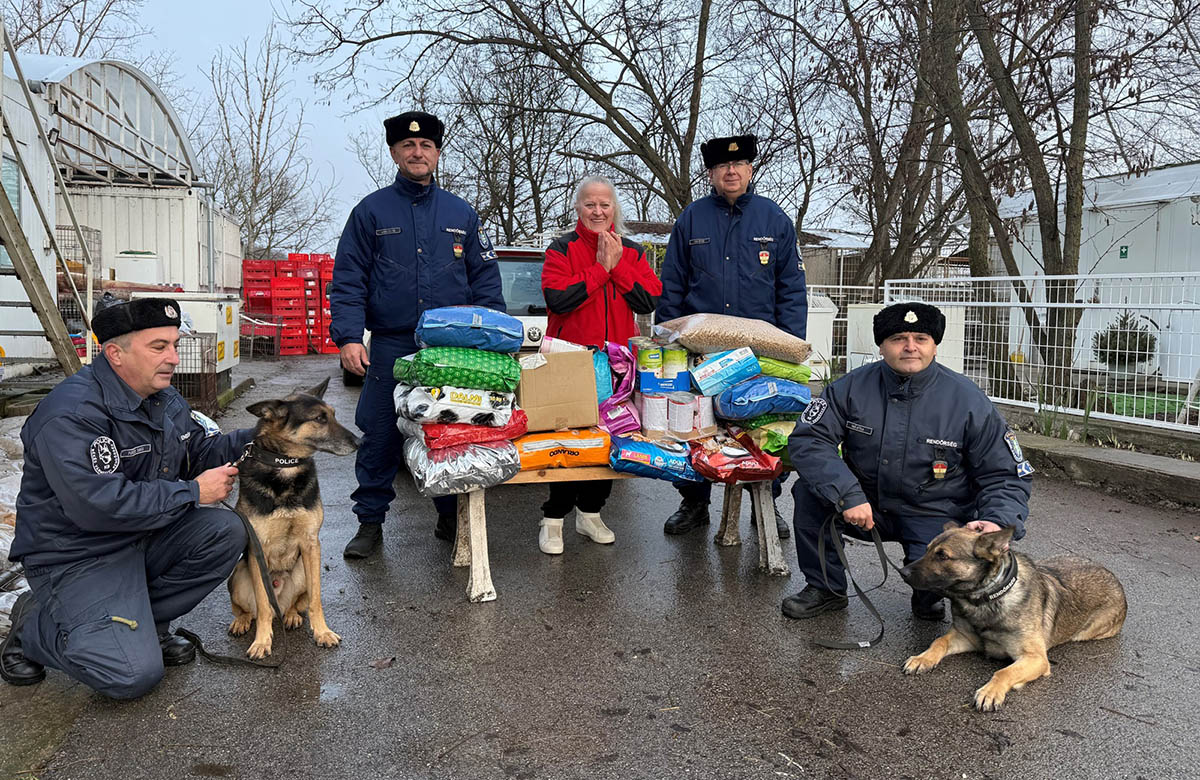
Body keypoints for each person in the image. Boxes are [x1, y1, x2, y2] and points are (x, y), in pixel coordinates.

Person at [1, 298, 250, 698]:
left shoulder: (163, 398)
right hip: (76, 555)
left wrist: (269, 434)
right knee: (130, 676)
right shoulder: (71, 413)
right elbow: (97, 505)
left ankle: (140, 628)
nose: (172, 357)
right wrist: (192, 492)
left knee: (224, 532)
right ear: (114, 353)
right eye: (158, 347)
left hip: (139, 537)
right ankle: (34, 624)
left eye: (174, 344)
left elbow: (199, 451)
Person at [783, 302, 1034, 621]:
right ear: (882, 345)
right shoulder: (849, 388)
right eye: (899, 338)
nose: (910, 346)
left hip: (935, 512)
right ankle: (826, 590)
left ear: (935, 345)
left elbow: (1005, 475)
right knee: (809, 493)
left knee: (932, 590)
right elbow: (810, 439)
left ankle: (930, 596)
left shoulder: (968, 400)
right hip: (865, 504)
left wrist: (996, 520)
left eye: (921, 338)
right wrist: (847, 494)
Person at [330, 111, 505, 559]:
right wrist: (350, 337)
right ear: (394, 152)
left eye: (426, 145)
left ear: (437, 153)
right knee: (381, 433)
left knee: (451, 428)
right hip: (391, 343)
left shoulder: (461, 213)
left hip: (452, 348)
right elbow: (348, 280)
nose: (417, 152)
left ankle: (450, 517)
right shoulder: (370, 212)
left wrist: (497, 341)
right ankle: (369, 522)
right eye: (408, 146)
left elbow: (485, 282)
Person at [656, 133, 807, 538]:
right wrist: (668, 340)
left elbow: (791, 289)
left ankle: (765, 502)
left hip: (759, 351)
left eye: (739, 165)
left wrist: (791, 347)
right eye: (723, 166)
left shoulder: (773, 220)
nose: (731, 171)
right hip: (699, 347)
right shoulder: (691, 218)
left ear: (751, 169)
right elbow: (672, 284)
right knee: (696, 423)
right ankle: (693, 501)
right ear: (711, 173)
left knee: (763, 423)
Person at [538, 175, 663, 554]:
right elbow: (558, 299)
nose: (597, 211)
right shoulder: (561, 248)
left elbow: (648, 300)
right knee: (568, 438)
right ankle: (554, 519)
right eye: (590, 204)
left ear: (615, 209)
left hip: (618, 362)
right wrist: (600, 270)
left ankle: (591, 512)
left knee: (612, 438)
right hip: (570, 361)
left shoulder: (634, 251)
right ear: (578, 208)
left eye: (605, 204)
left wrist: (617, 265)